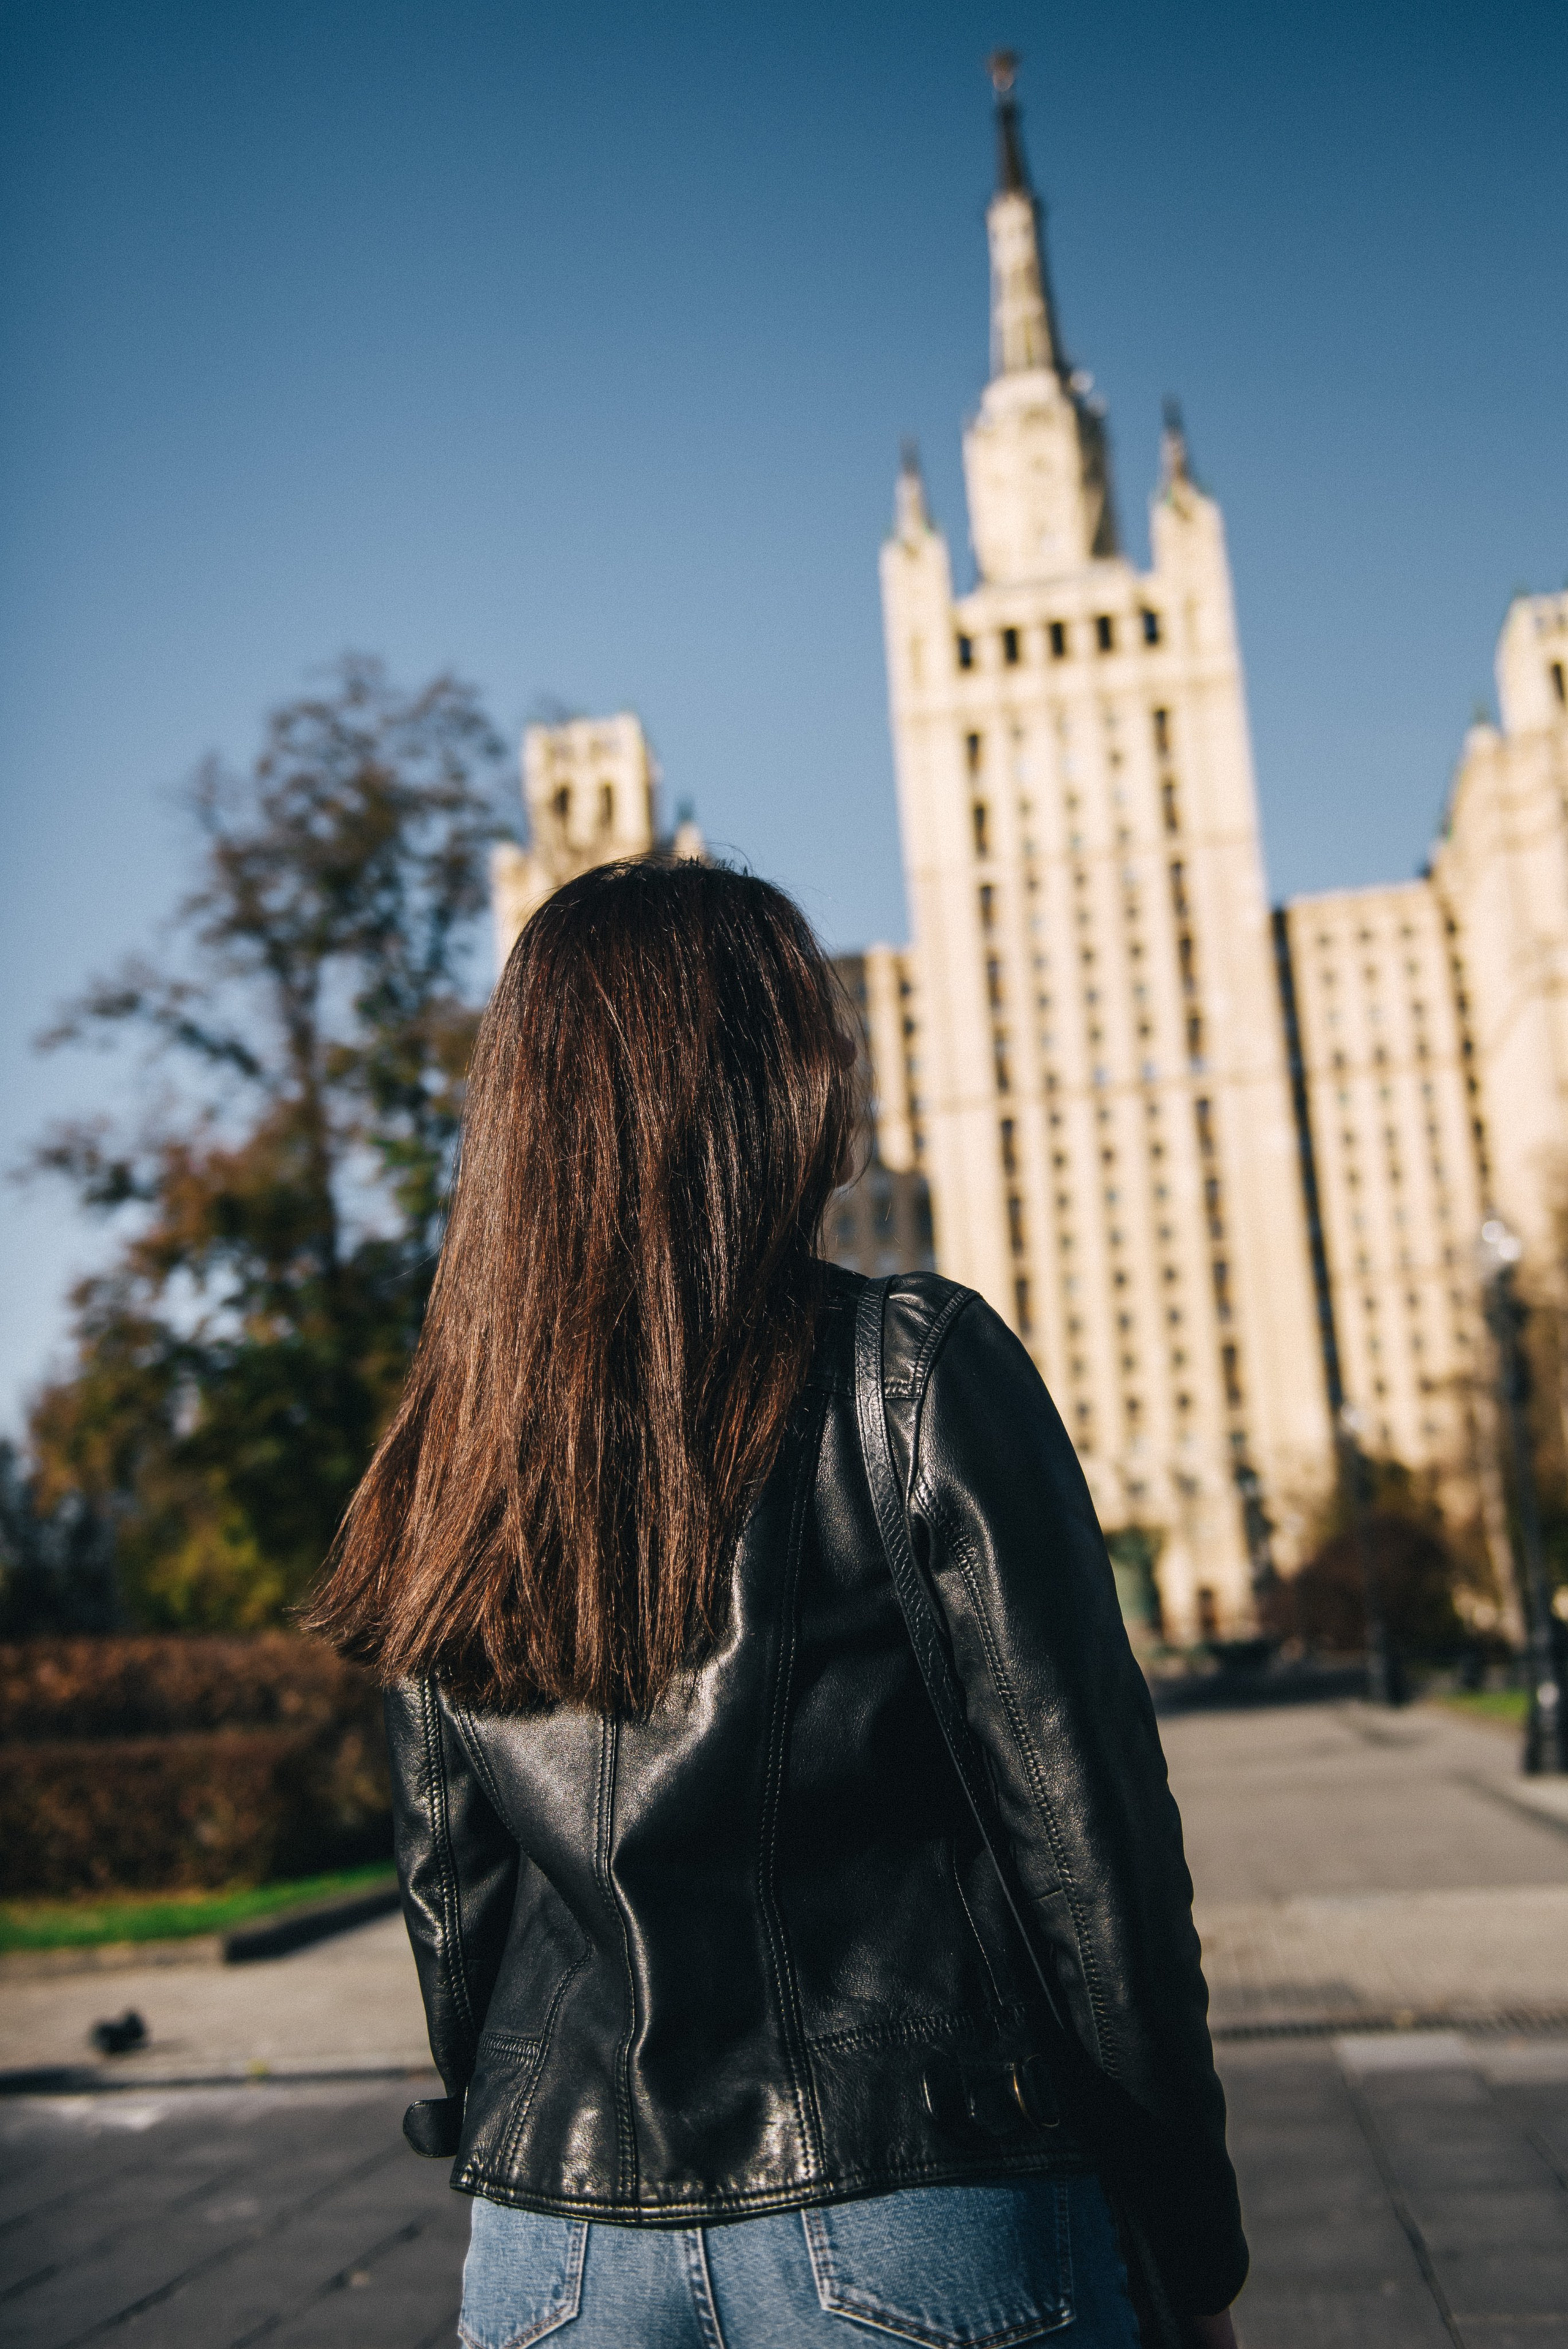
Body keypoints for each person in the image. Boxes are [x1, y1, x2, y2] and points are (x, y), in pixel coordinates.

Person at [309, 860, 1245, 2348]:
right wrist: (1190, 2247)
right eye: (815, 1029)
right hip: (912, 2195)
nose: (843, 1061)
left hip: (553, 2256)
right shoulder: (910, 1368)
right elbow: (1091, 1862)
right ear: (764, 1085)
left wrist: (521, 2137)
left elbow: (451, 1900)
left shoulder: (452, 1449)